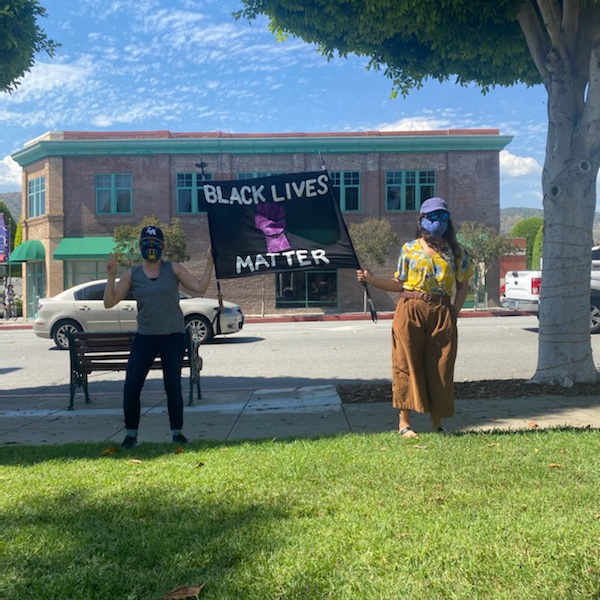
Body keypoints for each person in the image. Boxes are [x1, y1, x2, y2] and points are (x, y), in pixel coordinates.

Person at [357, 197, 474, 438]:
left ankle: (437, 423)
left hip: (442, 311)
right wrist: (371, 279)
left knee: (441, 366)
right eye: (431, 216)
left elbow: (463, 285)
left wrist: (454, 311)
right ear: (421, 220)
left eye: (441, 216)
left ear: (448, 220)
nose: (436, 221)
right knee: (406, 363)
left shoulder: (457, 252)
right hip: (411, 308)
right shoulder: (409, 249)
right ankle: (404, 424)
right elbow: (398, 283)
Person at [104, 225, 214, 449]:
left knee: (172, 385)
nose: (150, 248)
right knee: (132, 386)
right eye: (146, 244)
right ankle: (131, 434)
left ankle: (177, 432)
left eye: (155, 244)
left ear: (162, 247)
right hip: (145, 337)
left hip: (172, 337)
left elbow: (200, 288)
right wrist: (111, 276)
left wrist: (210, 261)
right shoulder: (132, 274)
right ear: (140, 247)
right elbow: (109, 302)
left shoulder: (173, 269)